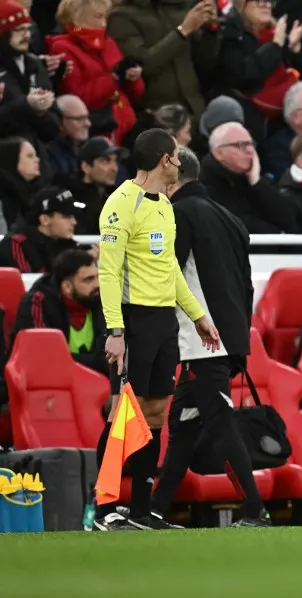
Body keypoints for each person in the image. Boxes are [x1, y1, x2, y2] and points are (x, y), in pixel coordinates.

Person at [93, 129, 221, 531]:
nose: (181, 165)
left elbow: (169, 269)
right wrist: (115, 329)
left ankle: (142, 511)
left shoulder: (165, 205)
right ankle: (103, 509)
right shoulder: (119, 204)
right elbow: (108, 271)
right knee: (121, 412)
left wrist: (198, 314)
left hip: (164, 319)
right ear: (165, 159)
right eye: (177, 158)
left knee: (154, 411)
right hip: (132, 320)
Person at [143, 146, 269, 529]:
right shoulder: (231, 218)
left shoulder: (178, 215)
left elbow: (166, 278)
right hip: (226, 334)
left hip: (199, 339)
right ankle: (155, 511)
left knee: (217, 420)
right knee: (183, 425)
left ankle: (254, 510)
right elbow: (245, 284)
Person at [8, 247, 106, 375]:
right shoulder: (37, 302)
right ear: (67, 287)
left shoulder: (99, 300)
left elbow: (108, 360)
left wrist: (66, 359)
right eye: (88, 279)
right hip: (47, 384)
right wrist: (95, 362)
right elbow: (42, 359)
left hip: (96, 384)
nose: (97, 284)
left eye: (98, 277)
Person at [0, 186, 83, 273]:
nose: (74, 222)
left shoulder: (69, 244)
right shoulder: (18, 244)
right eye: (66, 217)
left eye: (73, 216)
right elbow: (27, 283)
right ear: (45, 220)